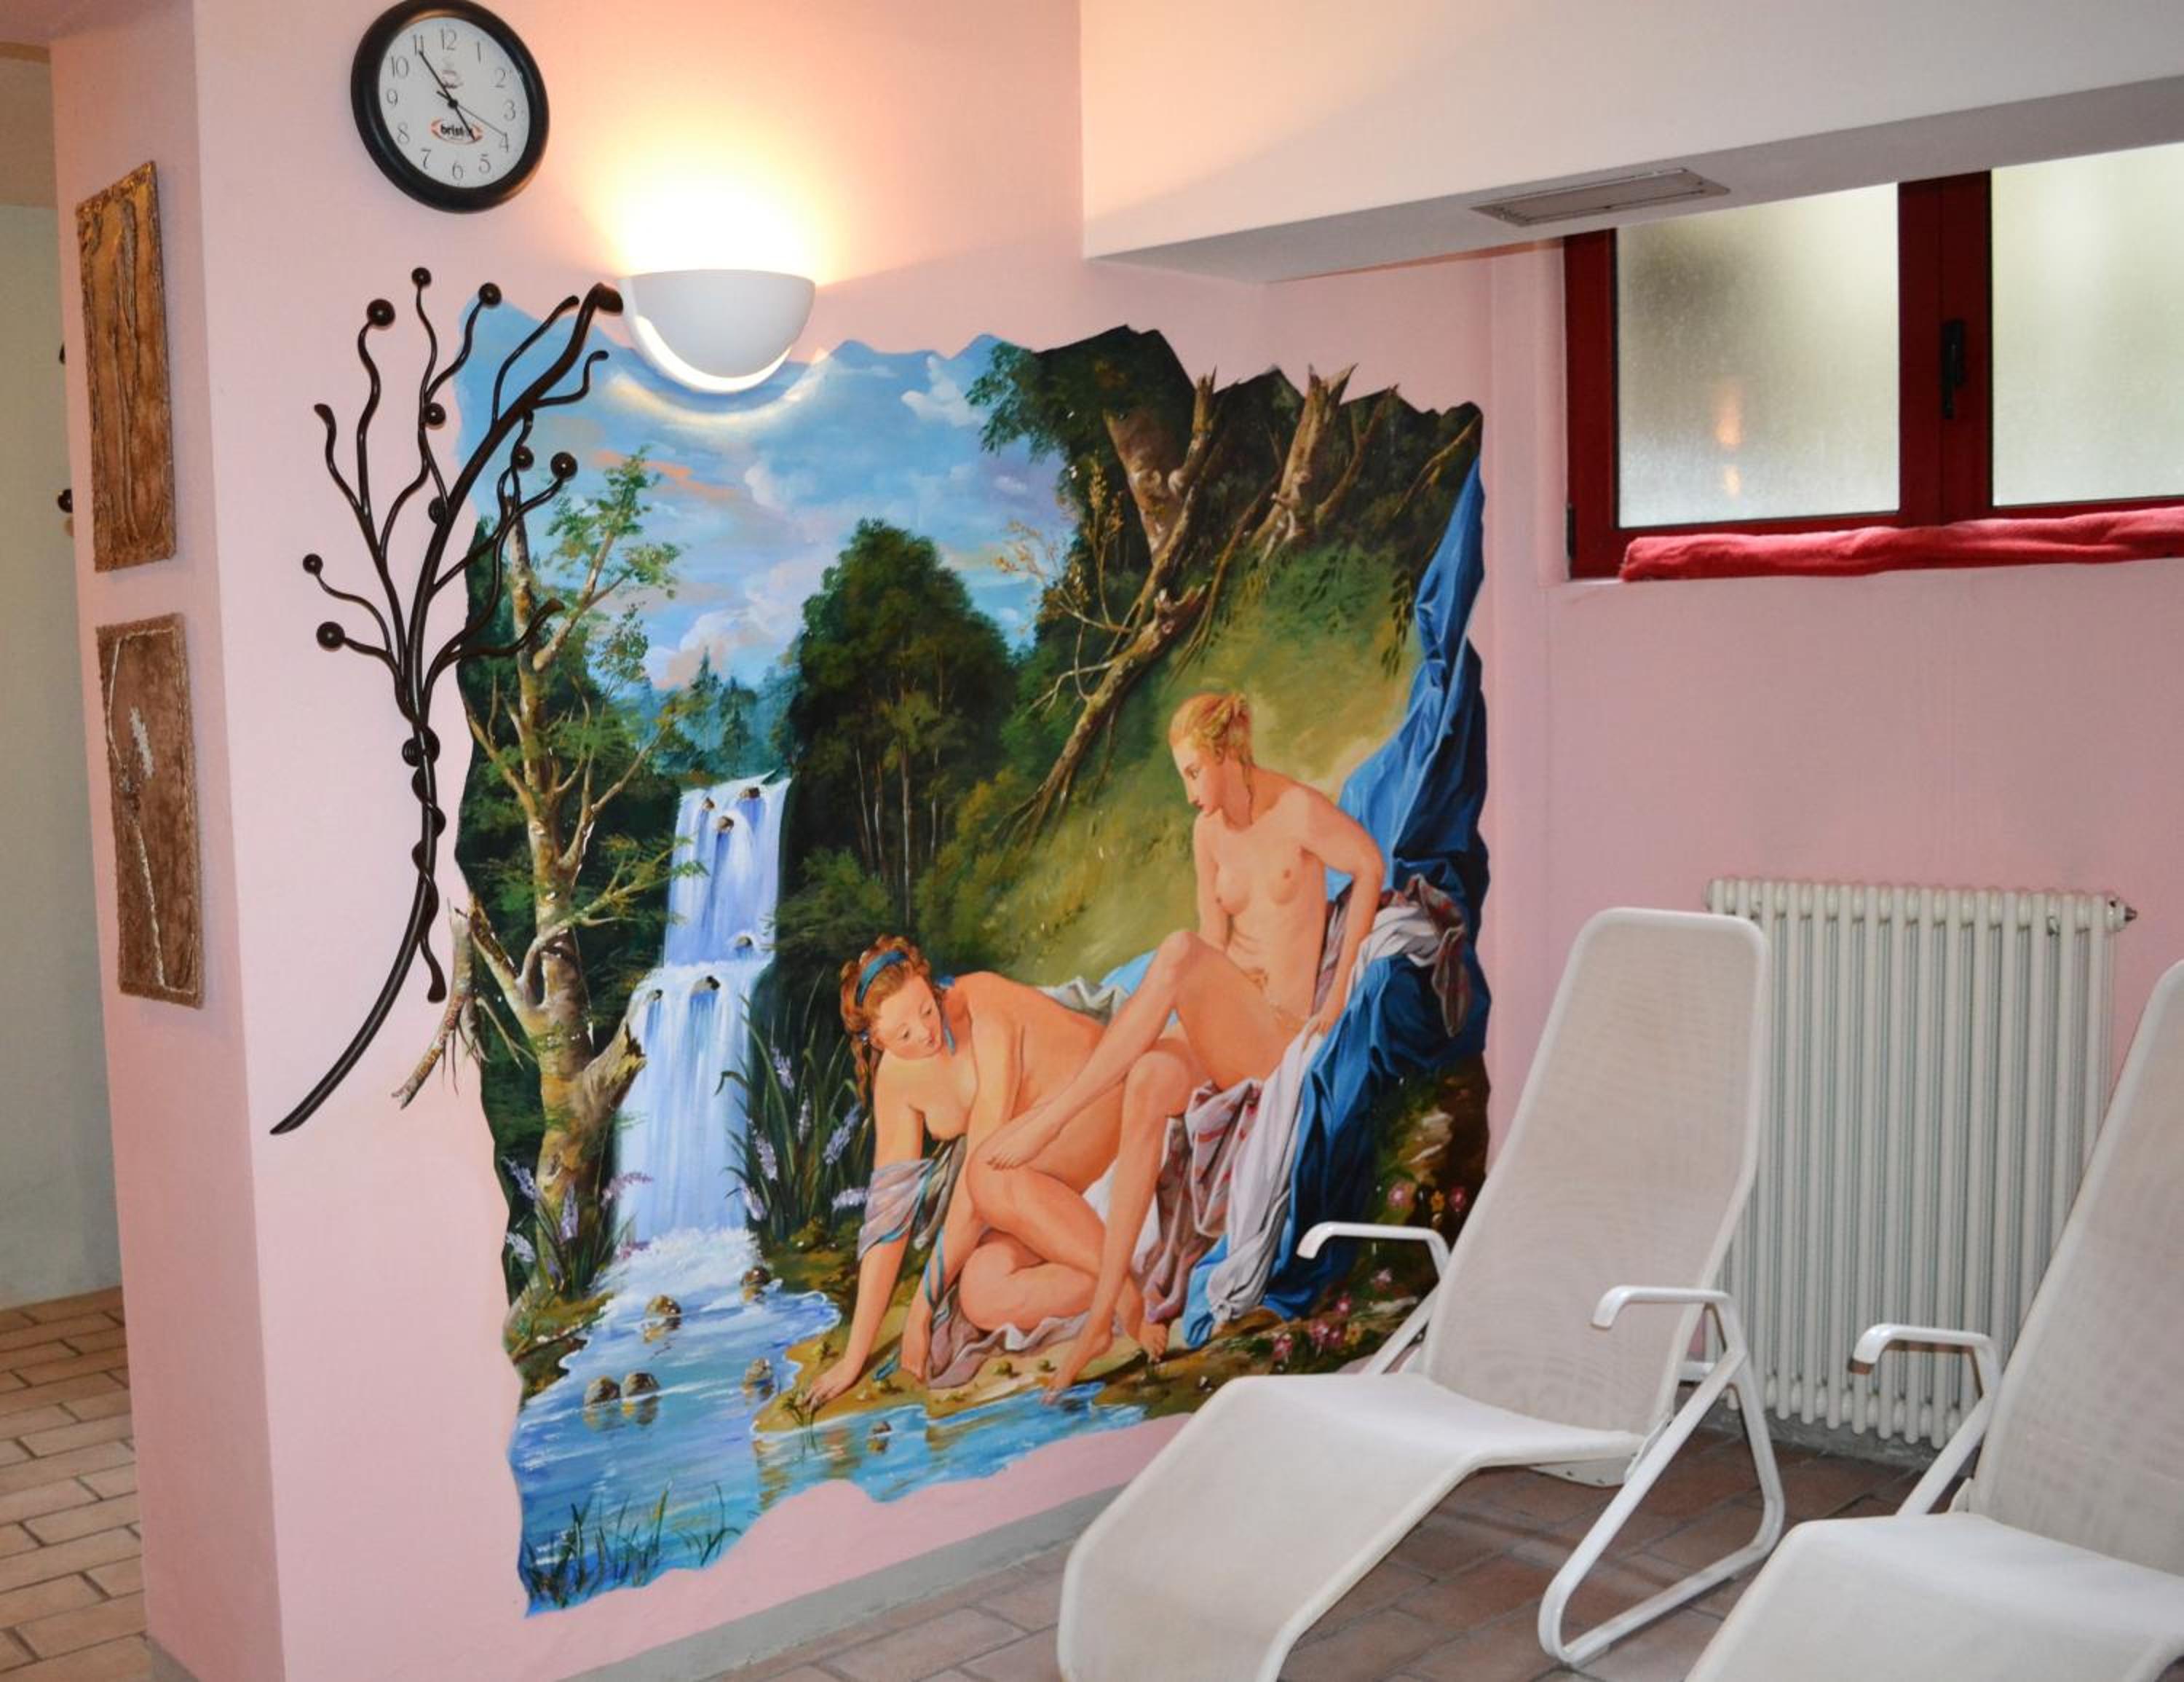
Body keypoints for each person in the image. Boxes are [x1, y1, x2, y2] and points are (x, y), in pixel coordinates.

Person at [981, 692, 1385, 1394]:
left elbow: (1370, 864)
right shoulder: (1208, 836)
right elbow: (1215, 950)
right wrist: (1179, 1029)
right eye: (1184, 777)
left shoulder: (1297, 810)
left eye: (1195, 773)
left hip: (1279, 1034)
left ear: (1228, 753)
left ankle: (1060, 1111)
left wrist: (1340, 992)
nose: (1191, 793)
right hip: (1233, 1025)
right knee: (1148, 1080)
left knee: (1175, 953)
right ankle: (1106, 1315)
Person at [803, 937, 1194, 1408]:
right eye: (903, 1034)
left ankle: (1124, 1296)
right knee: (982, 1293)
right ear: (876, 1041)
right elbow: (889, 1221)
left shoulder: (983, 1007)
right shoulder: (896, 1084)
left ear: (929, 984)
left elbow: (983, 1169)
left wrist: (924, 1306)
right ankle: (1120, 1273)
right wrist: (854, 1358)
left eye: (926, 1010)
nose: (925, 1033)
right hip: (1038, 1172)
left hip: (1097, 1112)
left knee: (987, 1177)